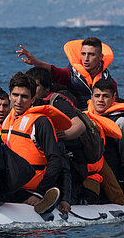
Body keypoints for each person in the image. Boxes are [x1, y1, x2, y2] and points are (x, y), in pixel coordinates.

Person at [1, 72, 68, 214]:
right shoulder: (9, 117)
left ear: (32, 99)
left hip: (31, 190)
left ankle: (46, 200)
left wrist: (38, 193)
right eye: (15, 95)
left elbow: (56, 161)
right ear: (10, 95)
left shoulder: (41, 123)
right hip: (9, 187)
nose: (19, 101)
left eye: (24, 97)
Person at [26, 67, 85, 212]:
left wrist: (60, 134)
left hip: (71, 161)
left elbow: (80, 126)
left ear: (47, 89)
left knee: (60, 156)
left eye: (36, 86)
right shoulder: (28, 104)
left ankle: (65, 199)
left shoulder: (57, 102)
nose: (31, 89)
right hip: (42, 163)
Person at [88, 79, 124, 210]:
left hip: (113, 182)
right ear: (91, 97)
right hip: (92, 178)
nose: (100, 100)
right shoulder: (86, 119)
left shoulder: (121, 123)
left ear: (114, 98)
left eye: (106, 96)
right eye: (97, 96)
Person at [17, 37, 116, 110]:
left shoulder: (109, 81)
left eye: (91, 54)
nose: (86, 58)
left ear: (100, 57)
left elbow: (115, 101)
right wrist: (36, 62)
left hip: (102, 115)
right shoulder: (70, 75)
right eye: (83, 54)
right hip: (79, 115)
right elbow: (54, 71)